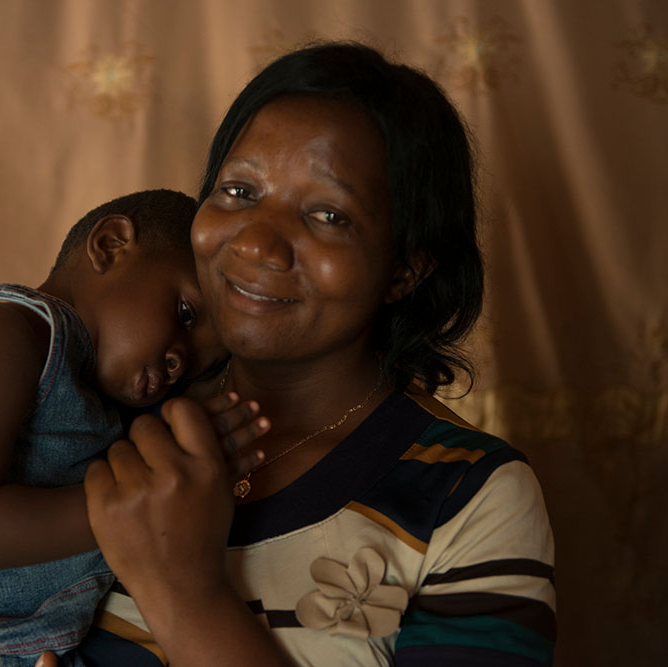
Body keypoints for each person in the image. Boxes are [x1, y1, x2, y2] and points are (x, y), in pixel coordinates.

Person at [66, 42, 557, 666]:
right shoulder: (112, 416)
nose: (258, 244)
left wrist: (185, 596)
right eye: (240, 191)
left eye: (327, 214)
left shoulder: (471, 496)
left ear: (405, 269)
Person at [0, 188, 269, 666]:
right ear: (111, 246)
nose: (181, 359)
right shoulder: (6, 331)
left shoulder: (98, 392)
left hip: (34, 646)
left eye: (201, 364)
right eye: (184, 313)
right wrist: (139, 509)